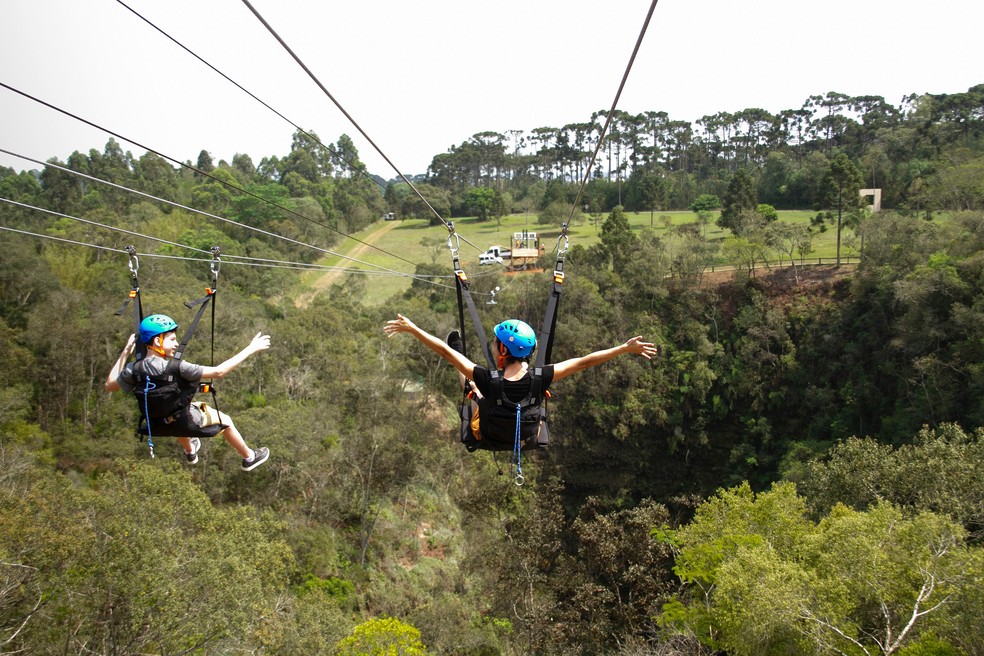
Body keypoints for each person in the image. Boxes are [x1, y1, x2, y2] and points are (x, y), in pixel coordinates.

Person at [383, 314, 659, 449]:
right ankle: (463, 358)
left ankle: (461, 348)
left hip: (488, 433)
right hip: (527, 435)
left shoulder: (487, 379)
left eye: (495, 344)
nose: (492, 346)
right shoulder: (542, 377)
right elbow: (585, 361)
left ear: (503, 351)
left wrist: (413, 329)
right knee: (477, 385)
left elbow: (444, 353)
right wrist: (623, 348)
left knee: (471, 386)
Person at [105, 314, 271, 471]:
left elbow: (110, 385)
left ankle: (190, 451)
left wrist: (126, 352)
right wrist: (250, 349)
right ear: (157, 340)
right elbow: (219, 372)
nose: (176, 343)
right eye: (172, 339)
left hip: (156, 424)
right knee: (224, 420)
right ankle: (249, 457)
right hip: (183, 420)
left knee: (176, 408)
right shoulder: (178, 368)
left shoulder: (133, 370)